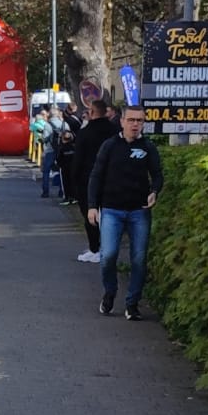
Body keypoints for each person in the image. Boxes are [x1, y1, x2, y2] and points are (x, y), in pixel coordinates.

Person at [87, 105, 165, 321]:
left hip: (139, 211)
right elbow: (96, 176)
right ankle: (110, 292)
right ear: (122, 122)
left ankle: (132, 303)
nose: (135, 124)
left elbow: (157, 175)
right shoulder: (110, 145)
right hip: (111, 210)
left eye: (139, 120)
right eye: (131, 120)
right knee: (108, 256)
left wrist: (154, 191)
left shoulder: (148, 147)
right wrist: (92, 206)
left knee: (139, 259)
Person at [71, 100, 116, 258]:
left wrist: (74, 180)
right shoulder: (115, 131)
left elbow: (78, 159)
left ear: (92, 112)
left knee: (90, 214)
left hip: (87, 178)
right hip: (111, 178)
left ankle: (95, 248)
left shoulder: (85, 133)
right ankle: (108, 247)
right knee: (110, 215)